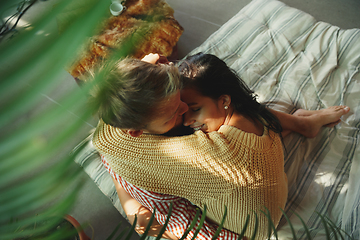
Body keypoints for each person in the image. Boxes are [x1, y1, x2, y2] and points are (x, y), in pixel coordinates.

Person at [89, 53, 350, 239]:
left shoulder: (206, 155)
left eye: (187, 105)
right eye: (173, 114)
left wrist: (130, 206)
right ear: (134, 131)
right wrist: (145, 69)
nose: (183, 114)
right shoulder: (236, 111)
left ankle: (302, 124)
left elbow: (104, 142)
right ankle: (302, 124)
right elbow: (108, 143)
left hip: (248, 226)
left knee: (141, 219)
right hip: (254, 189)